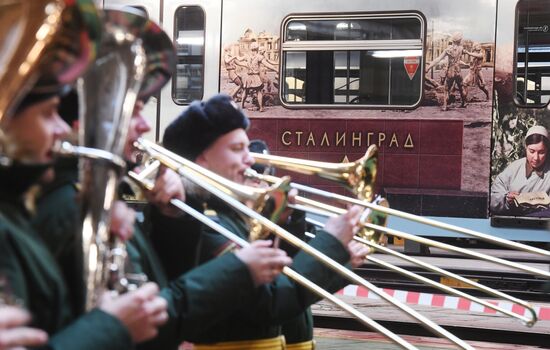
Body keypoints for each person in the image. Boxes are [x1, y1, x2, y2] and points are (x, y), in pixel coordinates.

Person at [162, 93, 368, 348]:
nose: (250, 159)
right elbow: (273, 303)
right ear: (201, 159)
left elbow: (284, 276)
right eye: (237, 149)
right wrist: (330, 242)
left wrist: (286, 222)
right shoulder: (205, 221)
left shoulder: (229, 218)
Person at [0, 85, 168, 349]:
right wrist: (108, 327)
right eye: (48, 113)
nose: (62, 129)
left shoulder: (18, 210)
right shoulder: (62, 207)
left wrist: (173, 215)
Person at [491, 125, 550, 215]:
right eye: (532, 151)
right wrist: (506, 199)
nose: (536, 158)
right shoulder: (514, 168)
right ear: (526, 147)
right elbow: (493, 196)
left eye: (541, 152)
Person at [426, 32, 477, 111]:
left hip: (451, 71)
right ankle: (464, 102)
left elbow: (438, 59)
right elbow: (469, 54)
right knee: (461, 87)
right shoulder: (461, 48)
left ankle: (445, 106)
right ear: (459, 40)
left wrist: (429, 67)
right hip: (458, 71)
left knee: (446, 89)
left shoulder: (448, 50)